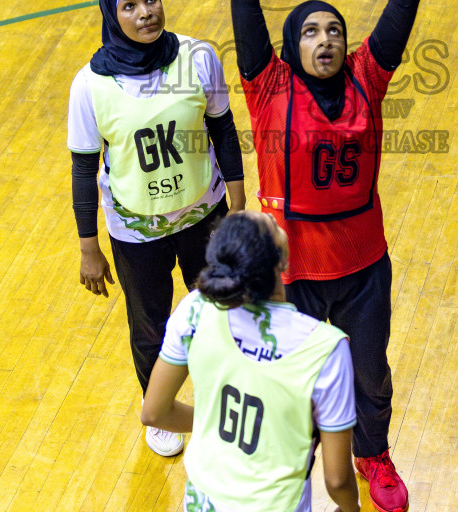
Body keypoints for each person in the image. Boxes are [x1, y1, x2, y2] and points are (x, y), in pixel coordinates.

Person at [230, 0, 420, 512]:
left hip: (364, 265)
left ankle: (374, 454)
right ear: (292, 45)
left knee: (370, 377)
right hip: (294, 271)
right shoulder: (268, 86)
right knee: (293, 383)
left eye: (334, 30)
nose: (326, 39)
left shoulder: (369, 75)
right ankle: (293, 467)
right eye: (310, 31)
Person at [68, 0, 245, 457]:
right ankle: (160, 409)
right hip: (136, 231)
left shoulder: (198, 56)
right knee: (149, 326)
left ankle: (228, 404)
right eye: (130, 6)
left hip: (206, 216)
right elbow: (83, 169)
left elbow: (223, 129)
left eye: (151, 0)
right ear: (112, 17)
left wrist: (238, 205)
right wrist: (88, 248)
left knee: (224, 312)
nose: (145, 12)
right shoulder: (89, 85)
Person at [142, 209, 360, 512]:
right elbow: (337, 480)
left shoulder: (195, 308)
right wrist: (352, 509)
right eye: (272, 225)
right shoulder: (326, 347)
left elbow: (154, 413)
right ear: (283, 261)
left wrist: (214, 421)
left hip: (203, 501)